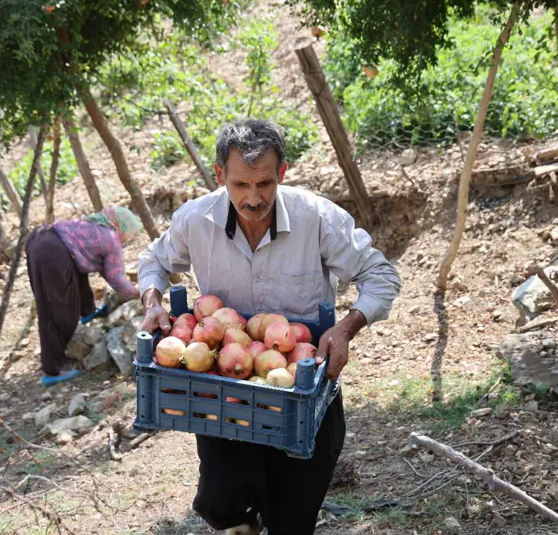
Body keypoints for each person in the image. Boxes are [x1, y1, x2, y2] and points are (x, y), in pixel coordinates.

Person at [136, 119, 402, 535]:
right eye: (240, 185)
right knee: (217, 502)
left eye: (264, 184)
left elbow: (380, 275)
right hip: (226, 387)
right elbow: (153, 261)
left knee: (292, 521)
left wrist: (347, 328)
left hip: (302, 385)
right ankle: (246, 521)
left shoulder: (317, 218)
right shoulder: (195, 220)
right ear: (220, 175)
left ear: (282, 173)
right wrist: (153, 302)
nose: (253, 198)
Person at [26, 205, 143, 387]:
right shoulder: (111, 238)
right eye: (129, 233)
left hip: (39, 239)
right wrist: (138, 293)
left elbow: (100, 266)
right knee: (55, 311)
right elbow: (116, 278)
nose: (128, 238)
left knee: (76, 277)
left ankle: (88, 311)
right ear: (121, 226)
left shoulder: (93, 224)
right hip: (53, 253)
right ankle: (51, 370)